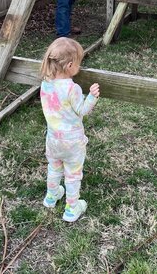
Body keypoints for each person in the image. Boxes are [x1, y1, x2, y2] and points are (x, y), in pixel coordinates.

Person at [40, 37, 100, 222]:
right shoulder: (72, 88)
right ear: (70, 65)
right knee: (73, 175)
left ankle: (51, 197)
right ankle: (72, 209)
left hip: (53, 139)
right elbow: (82, 110)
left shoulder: (45, 84)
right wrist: (91, 97)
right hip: (72, 142)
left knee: (54, 167)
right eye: (79, 64)